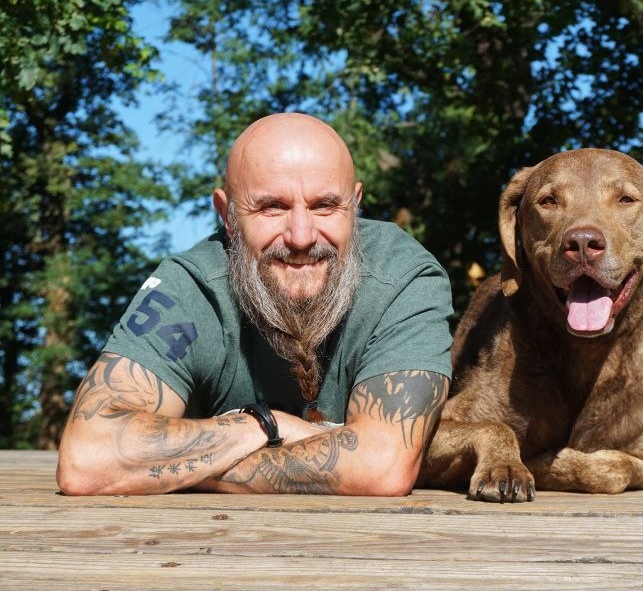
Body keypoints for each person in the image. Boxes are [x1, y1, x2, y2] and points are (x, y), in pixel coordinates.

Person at [57, 113, 453, 496]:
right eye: (271, 207)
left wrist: (169, 470)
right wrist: (263, 427)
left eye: (324, 206)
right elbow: (87, 460)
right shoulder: (192, 288)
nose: (301, 236)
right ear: (227, 216)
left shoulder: (403, 277)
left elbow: (382, 467)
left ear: (356, 203)